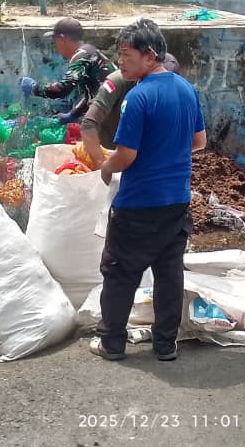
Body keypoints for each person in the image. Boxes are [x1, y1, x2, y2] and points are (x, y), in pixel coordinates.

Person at [93, 19, 205, 362]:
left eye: (126, 55)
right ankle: (165, 345)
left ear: (150, 55)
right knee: (168, 275)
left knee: (119, 273)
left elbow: (126, 156)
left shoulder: (138, 97)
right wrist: (166, 150)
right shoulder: (187, 89)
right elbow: (199, 142)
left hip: (139, 205)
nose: (120, 63)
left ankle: (112, 344)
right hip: (177, 203)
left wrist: (106, 166)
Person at [80, 52, 181, 169]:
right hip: (107, 153)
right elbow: (88, 124)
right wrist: (102, 166)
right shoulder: (118, 81)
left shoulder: (175, 92)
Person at [20, 17, 117, 124]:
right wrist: (73, 114)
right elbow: (93, 94)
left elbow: (61, 90)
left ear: (62, 39)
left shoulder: (81, 57)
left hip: (112, 115)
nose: (56, 47)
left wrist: (35, 88)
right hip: (114, 107)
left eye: (55, 42)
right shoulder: (90, 52)